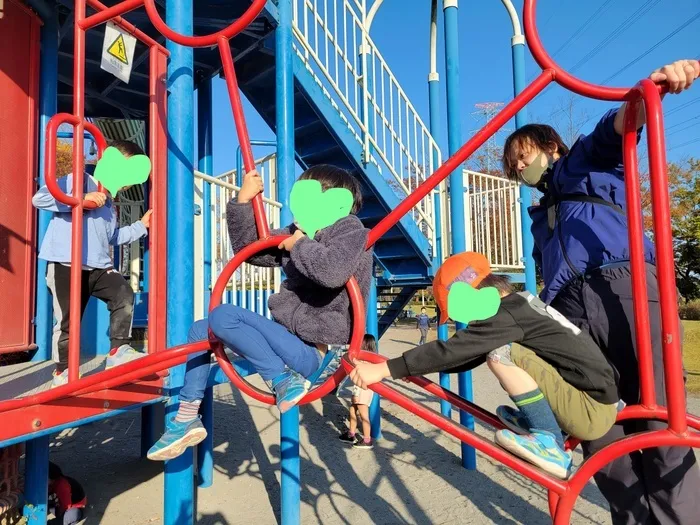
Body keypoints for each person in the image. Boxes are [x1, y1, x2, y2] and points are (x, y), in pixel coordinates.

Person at [502, 59, 700, 522]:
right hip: (570, 311)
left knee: (657, 418)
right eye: (513, 166)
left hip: (622, 285)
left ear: (550, 147)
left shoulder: (582, 164)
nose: (519, 166)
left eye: (524, 155)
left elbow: (619, 127)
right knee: (597, 429)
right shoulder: (539, 220)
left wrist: (651, 90)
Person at [147, 165, 373, 461]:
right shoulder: (299, 231)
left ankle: (282, 379)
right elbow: (251, 251)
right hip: (288, 341)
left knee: (224, 315)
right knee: (201, 330)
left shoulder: (350, 230)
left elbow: (332, 271)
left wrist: (299, 245)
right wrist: (242, 202)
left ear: (332, 199)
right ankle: (186, 418)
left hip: (319, 354)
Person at [349, 252, 621, 479]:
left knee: (502, 354)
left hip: (590, 410)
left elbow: (455, 349)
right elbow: (468, 353)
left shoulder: (506, 315)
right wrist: (412, 368)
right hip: (595, 398)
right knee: (499, 350)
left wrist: (386, 369)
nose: (466, 320)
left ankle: (548, 438)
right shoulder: (519, 306)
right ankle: (545, 422)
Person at [32, 140, 152, 388]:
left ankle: (118, 351)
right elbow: (40, 198)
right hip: (65, 262)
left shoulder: (110, 203)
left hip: (97, 266)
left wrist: (142, 226)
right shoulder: (79, 180)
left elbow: (113, 237)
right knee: (68, 321)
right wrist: (79, 199)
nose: (129, 181)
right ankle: (62, 372)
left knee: (123, 293)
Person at [339, 334, 378, 450]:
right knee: (352, 410)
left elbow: (358, 376)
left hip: (362, 390)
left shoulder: (363, 361)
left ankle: (367, 440)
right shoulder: (372, 359)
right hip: (363, 389)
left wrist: (356, 394)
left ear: (364, 344)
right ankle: (351, 434)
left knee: (363, 415)